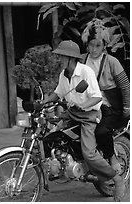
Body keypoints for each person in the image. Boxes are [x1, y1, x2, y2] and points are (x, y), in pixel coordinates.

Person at [41, 40, 126, 202]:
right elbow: (58, 93)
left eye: (61, 57)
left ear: (71, 58)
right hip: (72, 114)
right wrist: (44, 102)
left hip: (89, 117)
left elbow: (96, 97)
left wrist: (82, 104)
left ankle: (116, 179)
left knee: (89, 154)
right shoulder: (64, 74)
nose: (58, 59)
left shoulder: (86, 72)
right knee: (54, 137)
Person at [81, 18, 130, 174]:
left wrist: (128, 107)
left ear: (104, 46)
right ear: (86, 44)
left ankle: (112, 159)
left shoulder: (111, 62)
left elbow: (125, 86)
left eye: (98, 45)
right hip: (88, 105)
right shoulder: (82, 61)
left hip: (110, 108)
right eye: (91, 45)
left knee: (101, 132)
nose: (94, 49)